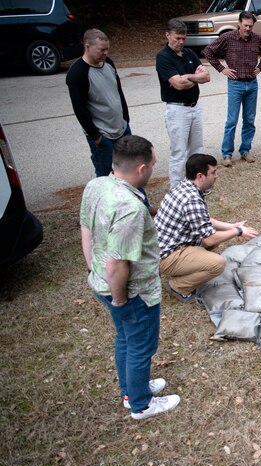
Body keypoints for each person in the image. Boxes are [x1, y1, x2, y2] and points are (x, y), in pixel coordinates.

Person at [79, 135, 180, 420]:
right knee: (140, 346)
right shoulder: (131, 209)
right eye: (153, 164)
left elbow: (85, 226)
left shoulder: (97, 184)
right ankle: (141, 404)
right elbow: (117, 263)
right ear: (140, 169)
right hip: (132, 293)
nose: (154, 168)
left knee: (125, 338)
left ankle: (130, 390)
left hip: (102, 283)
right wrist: (121, 299)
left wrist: (91, 268)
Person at [154, 153, 259, 302]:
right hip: (167, 256)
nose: (216, 176)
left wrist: (231, 226)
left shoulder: (185, 187)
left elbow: (203, 220)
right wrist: (238, 231)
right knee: (218, 263)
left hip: (165, 248)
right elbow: (209, 239)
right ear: (200, 176)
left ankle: (185, 268)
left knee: (214, 239)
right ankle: (178, 286)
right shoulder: (192, 199)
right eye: (213, 172)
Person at [204, 10, 261, 168]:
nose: (248, 28)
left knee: (249, 120)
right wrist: (222, 69)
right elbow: (208, 51)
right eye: (245, 25)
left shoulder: (257, 39)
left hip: (252, 84)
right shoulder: (228, 38)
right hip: (236, 84)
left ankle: (245, 150)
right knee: (232, 120)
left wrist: (260, 67)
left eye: (250, 26)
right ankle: (227, 154)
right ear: (239, 23)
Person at [66, 28, 131, 178]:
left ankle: (136, 201)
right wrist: (97, 137)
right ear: (87, 47)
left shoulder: (108, 63)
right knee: (106, 177)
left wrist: (126, 120)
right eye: (102, 50)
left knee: (128, 172)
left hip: (122, 128)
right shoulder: (77, 73)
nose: (106, 53)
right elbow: (80, 109)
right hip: (103, 135)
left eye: (107, 49)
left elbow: (118, 91)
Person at [155, 19, 211, 189]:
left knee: (196, 150)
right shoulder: (163, 57)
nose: (180, 42)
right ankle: (176, 189)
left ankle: (195, 186)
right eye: (177, 38)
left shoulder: (190, 54)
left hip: (195, 107)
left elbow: (206, 77)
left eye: (183, 38)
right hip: (177, 109)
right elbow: (177, 84)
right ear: (167, 35)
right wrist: (195, 77)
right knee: (178, 153)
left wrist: (187, 77)